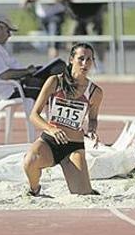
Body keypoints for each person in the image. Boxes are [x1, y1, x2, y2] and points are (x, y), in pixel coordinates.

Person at [23, 42, 102, 196]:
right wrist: (51, 129)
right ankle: (34, 189)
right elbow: (34, 115)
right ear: (71, 60)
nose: (85, 63)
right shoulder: (55, 82)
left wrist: (92, 130)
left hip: (73, 147)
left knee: (83, 194)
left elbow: (93, 119)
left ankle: (88, 188)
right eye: (81, 59)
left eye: (89, 59)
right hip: (49, 142)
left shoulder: (95, 92)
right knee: (30, 161)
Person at [0, 15, 65, 102]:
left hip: (18, 84)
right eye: (8, 31)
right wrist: (27, 71)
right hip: (13, 89)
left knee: (58, 68)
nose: (9, 35)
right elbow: (5, 75)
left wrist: (29, 71)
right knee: (55, 80)